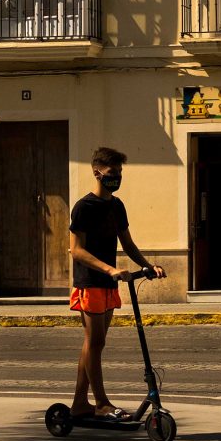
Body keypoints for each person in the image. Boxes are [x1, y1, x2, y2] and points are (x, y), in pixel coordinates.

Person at [68, 147, 166, 421]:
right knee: (95, 342)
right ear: (97, 172)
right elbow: (76, 250)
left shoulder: (116, 205)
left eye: (120, 173)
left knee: (94, 343)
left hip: (109, 282)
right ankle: (100, 403)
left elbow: (128, 242)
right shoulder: (84, 207)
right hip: (90, 282)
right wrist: (109, 268)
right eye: (113, 173)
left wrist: (147, 265)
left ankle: (79, 403)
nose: (117, 178)